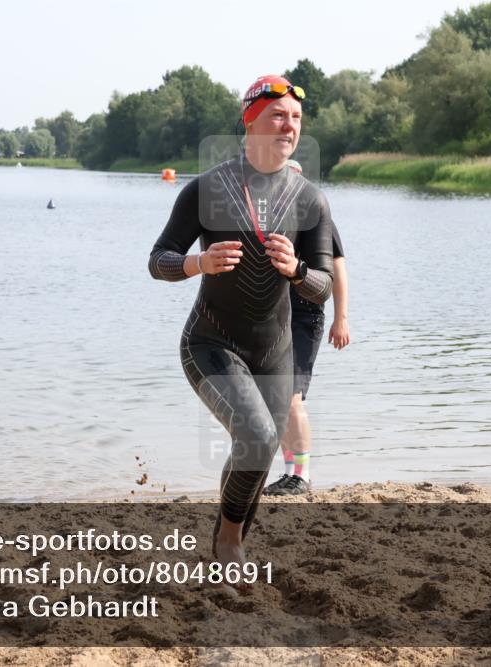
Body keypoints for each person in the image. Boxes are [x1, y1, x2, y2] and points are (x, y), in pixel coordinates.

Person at [148, 75, 334, 576]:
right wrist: (198, 263)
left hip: (273, 349)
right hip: (210, 341)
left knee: (262, 447)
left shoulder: (310, 199)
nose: (288, 126)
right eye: (278, 115)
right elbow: (158, 260)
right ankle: (229, 542)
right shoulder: (207, 189)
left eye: (296, 118)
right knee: (253, 434)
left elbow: (322, 287)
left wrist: (296, 269)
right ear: (251, 122)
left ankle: (230, 539)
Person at [264, 231, 349, 496]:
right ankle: (291, 473)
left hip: (304, 316)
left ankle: (302, 475)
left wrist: (341, 318)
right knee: (277, 401)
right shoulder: (269, 212)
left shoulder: (315, 211)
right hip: (271, 316)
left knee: (292, 397)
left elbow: (337, 266)